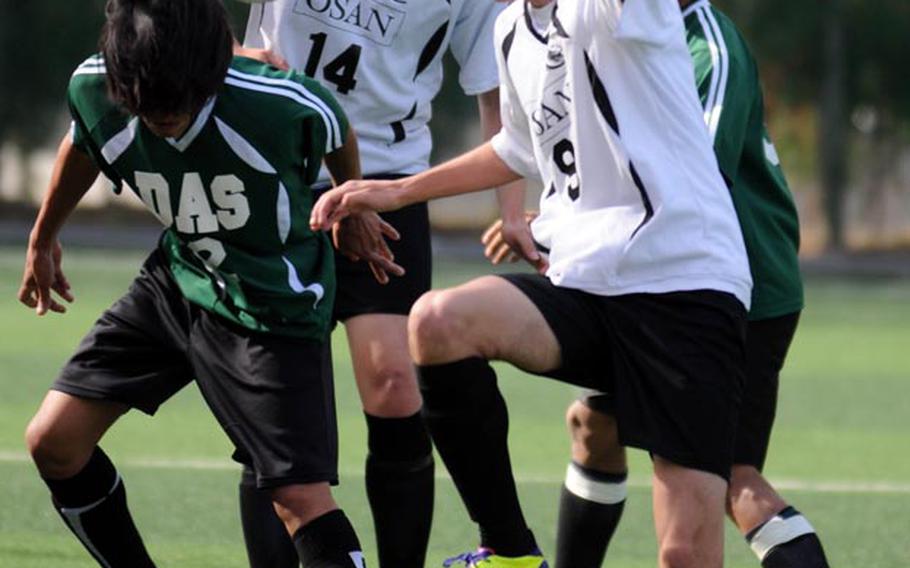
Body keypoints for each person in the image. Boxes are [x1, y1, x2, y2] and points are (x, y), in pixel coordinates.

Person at [310, 1, 755, 566]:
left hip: (683, 288)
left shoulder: (610, 9)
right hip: (586, 287)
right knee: (439, 321)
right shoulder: (508, 28)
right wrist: (397, 192)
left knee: (684, 556)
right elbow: (516, 149)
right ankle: (509, 550)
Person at [18, 0, 395, 566]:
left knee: (298, 498)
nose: (163, 119)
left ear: (212, 72)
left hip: (273, 302)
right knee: (54, 442)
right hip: (179, 278)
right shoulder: (98, 85)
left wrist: (355, 204)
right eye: (146, 108)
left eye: (178, 105)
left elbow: (333, 122)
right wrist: (44, 236)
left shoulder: (278, 102)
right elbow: (84, 138)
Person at [480, 2, 832, 568]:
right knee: (592, 425)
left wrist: (557, 228)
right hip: (652, 284)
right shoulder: (606, 27)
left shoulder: (707, 46)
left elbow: (690, 170)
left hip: (734, 292)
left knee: (736, 480)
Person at [236, 1, 521, 567]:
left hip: (388, 178)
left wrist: (512, 210)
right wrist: (235, 57)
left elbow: (493, 87)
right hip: (274, 167)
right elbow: (176, 18)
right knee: (278, 407)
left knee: (394, 383)